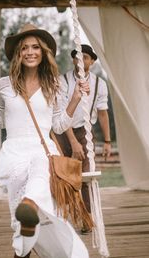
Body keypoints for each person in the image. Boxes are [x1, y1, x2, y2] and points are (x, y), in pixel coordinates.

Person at [0, 24, 90, 258]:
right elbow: (2, 121)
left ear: (43, 51)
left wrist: (76, 99)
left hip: (42, 150)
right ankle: (25, 228)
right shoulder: (4, 85)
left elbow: (58, 125)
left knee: (40, 167)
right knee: (21, 219)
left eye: (35, 47)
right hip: (14, 152)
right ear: (18, 53)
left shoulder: (54, 84)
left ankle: (31, 204)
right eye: (24, 47)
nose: (30, 52)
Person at [58, 44, 112, 227]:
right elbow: (61, 114)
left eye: (86, 57)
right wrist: (73, 142)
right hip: (62, 133)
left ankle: (88, 219)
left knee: (87, 176)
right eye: (77, 57)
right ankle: (65, 220)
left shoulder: (99, 84)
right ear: (73, 60)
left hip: (85, 132)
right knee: (63, 176)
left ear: (93, 61)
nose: (81, 60)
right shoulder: (63, 80)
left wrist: (107, 141)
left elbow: (103, 113)